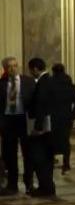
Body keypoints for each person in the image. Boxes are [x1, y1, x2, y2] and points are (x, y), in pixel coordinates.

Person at [0, 56, 36, 196]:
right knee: (10, 155)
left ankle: (29, 183)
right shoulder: (1, 84)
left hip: (24, 120)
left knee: (28, 153)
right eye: (9, 66)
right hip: (8, 121)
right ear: (5, 68)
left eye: (15, 65)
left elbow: (34, 101)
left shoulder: (28, 81)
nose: (13, 68)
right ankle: (12, 184)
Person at [26, 58, 56, 197]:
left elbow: (41, 105)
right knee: (46, 158)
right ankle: (48, 187)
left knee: (39, 158)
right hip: (49, 126)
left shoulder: (43, 82)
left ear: (35, 69)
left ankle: (45, 188)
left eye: (31, 70)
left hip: (42, 127)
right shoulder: (50, 80)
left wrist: (37, 127)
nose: (31, 73)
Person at [50, 63, 75, 175]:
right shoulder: (70, 86)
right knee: (65, 141)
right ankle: (66, 164)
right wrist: (73, 115)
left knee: (50, 140)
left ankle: (50, 161)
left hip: (52, 117)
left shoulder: (49, 84)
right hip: (66, 118)